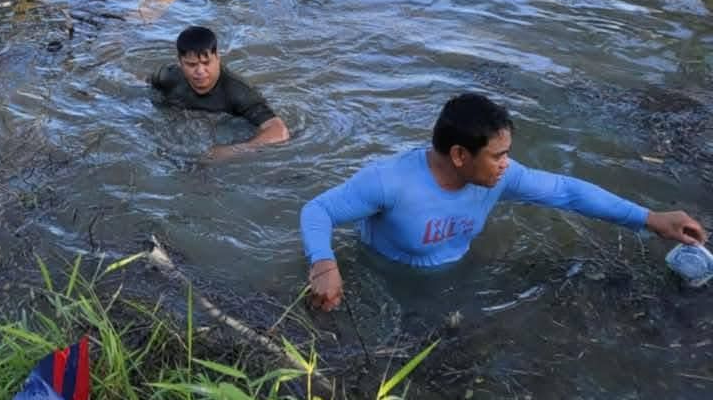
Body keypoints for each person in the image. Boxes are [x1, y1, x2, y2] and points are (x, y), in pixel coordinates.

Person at [301, 93, 706, 311]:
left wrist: (651, 219)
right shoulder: (388, 182)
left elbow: (567, 191)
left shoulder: (498, 177)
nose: (506, 164)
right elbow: (318, 210)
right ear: (460, 155)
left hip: (455, 278)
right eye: (498, 154)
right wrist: (324, 263)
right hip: (386, 280)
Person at [150, 26, 290, 162]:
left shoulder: (237, 92)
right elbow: (140, 84)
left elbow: (279, 131)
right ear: (180, 62)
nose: (200, 71)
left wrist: (231, 151)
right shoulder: (168, 76)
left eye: (206, 62)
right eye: (192, 65)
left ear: (217, 57)